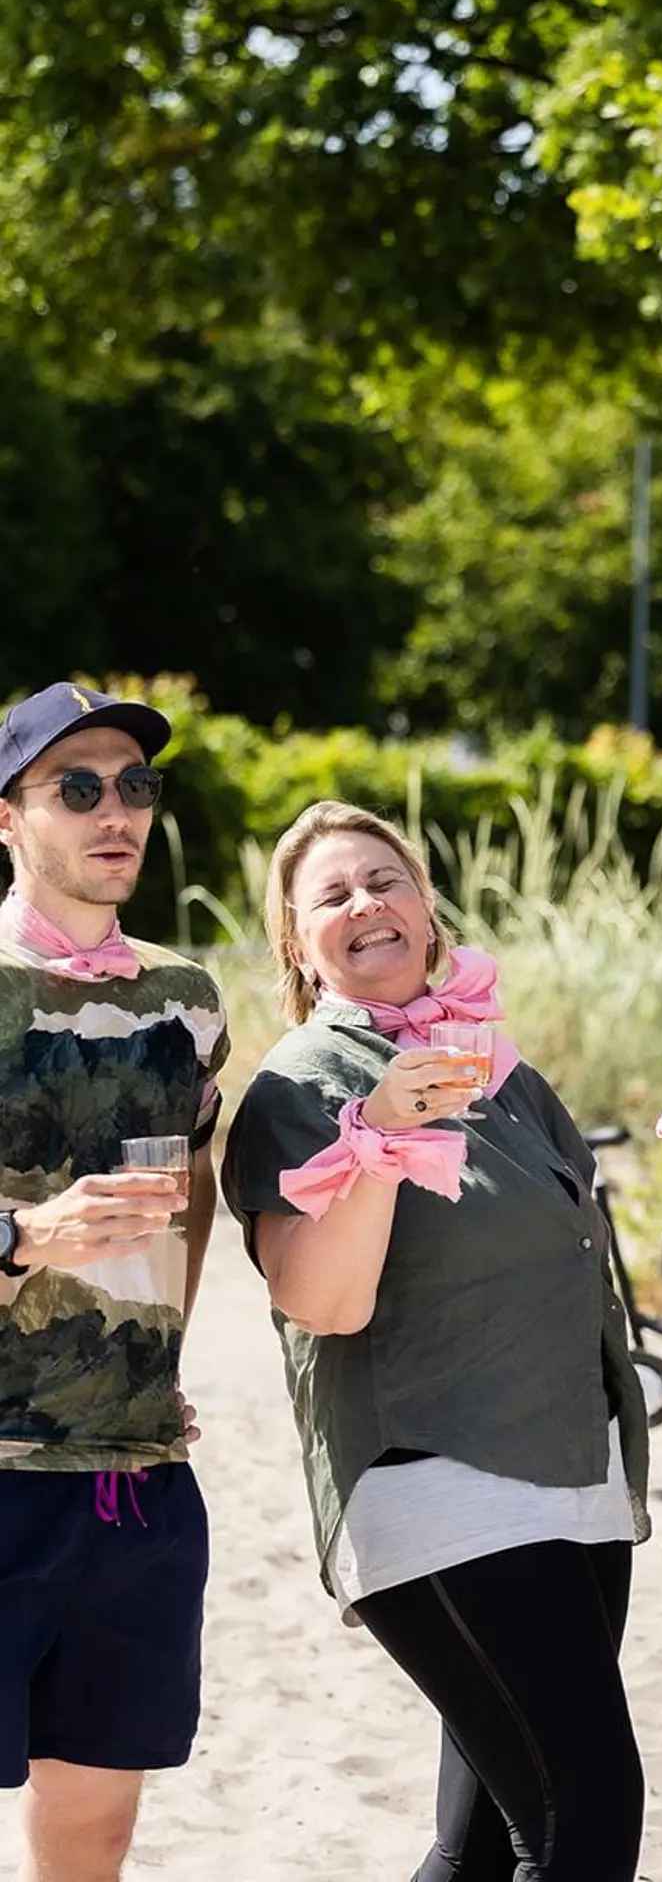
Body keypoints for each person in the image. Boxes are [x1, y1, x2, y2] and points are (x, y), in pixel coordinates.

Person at [221, 801, 651, 1882]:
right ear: (298, 947)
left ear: (425, 908)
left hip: (573, 1471)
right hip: (439, 1481)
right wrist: (378, 1135)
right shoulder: (303, 1083)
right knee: (585, 1818)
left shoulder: (497, 1069)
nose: (367, 903)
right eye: (332, 895)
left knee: (480, 1849)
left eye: (386, 880)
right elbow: (322, 1303)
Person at [0, 682, 227, 1880]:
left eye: (135, 785)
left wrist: (160, 1349)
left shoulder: (185, 998)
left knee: (95, 1834)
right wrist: (26, 1234)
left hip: (134, 1474)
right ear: (7, 817)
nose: (115, 811)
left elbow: (193, 1190)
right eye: (77, 786)